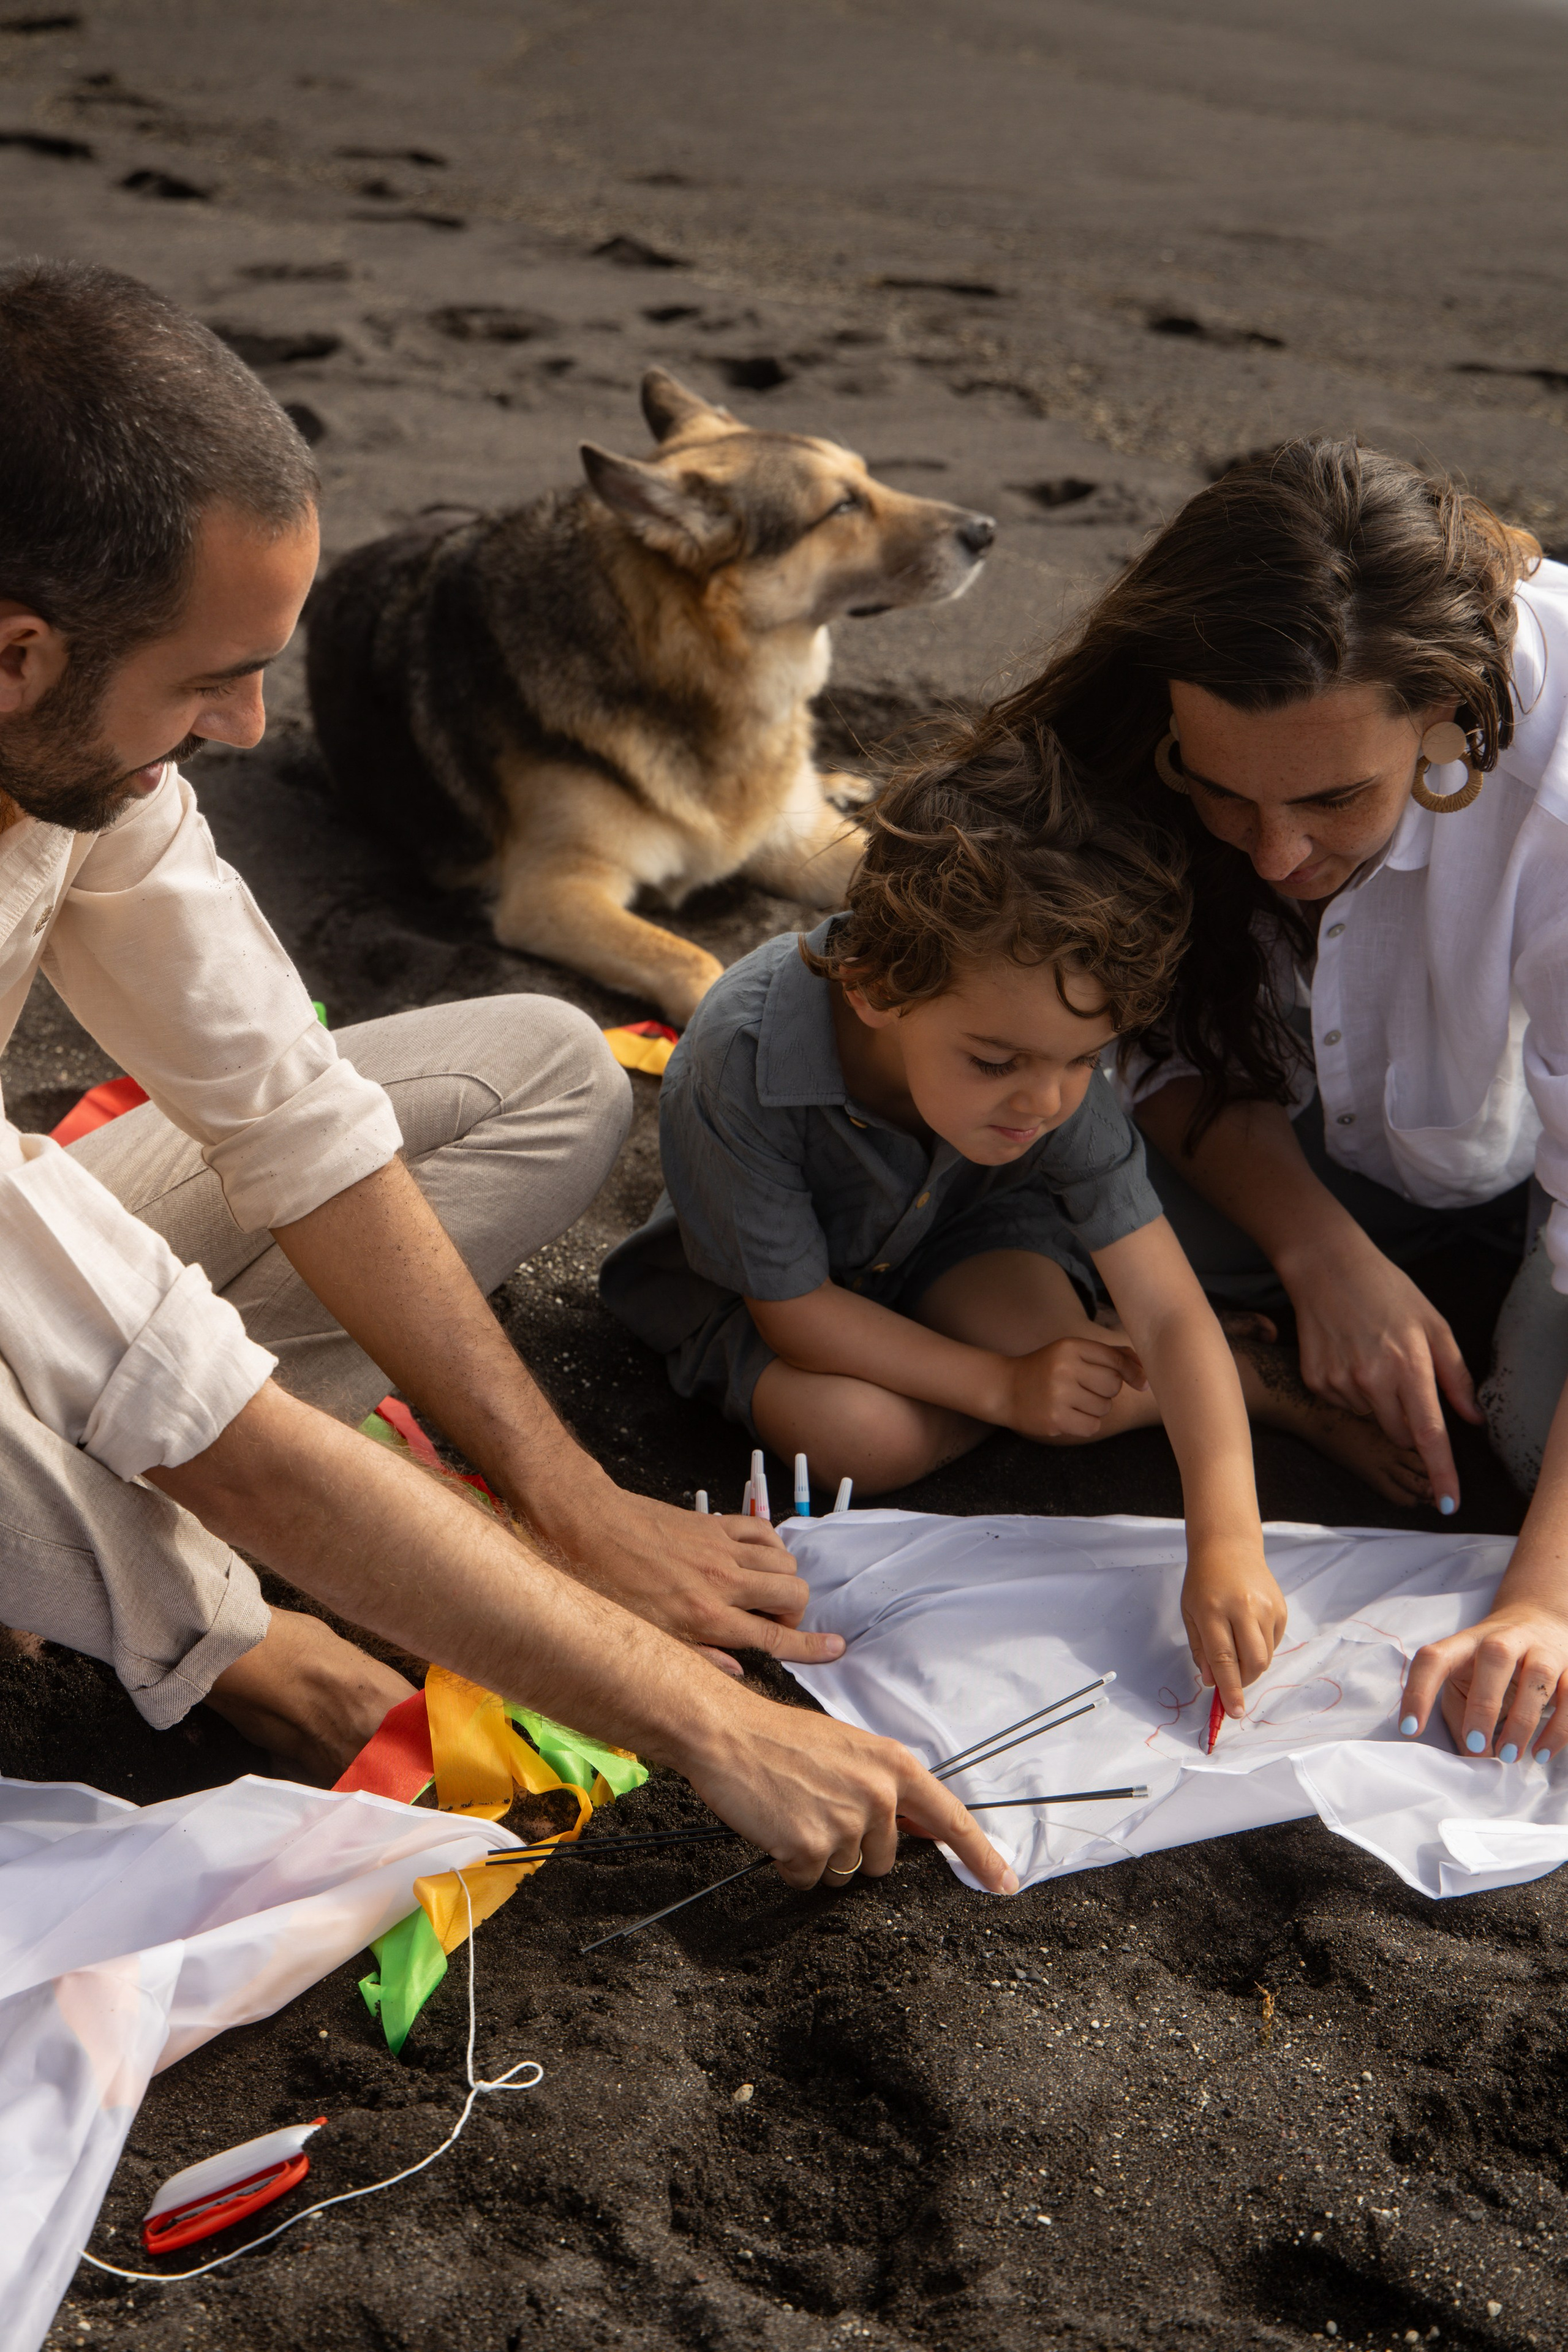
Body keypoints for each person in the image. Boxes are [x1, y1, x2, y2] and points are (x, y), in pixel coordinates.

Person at [0, 257, 1015, 1898]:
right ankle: (205, 1606)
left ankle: (220, 1535)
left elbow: (285, 1107)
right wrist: (710, 1723)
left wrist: (567, 1497)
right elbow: (187, 1401)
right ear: (19, 656)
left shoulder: (68, 752)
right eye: (208, 682)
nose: (256, 730)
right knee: (173, 1431)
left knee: (540, 1068)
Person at [603, 737, 1425, 1715]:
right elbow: (797, 1315)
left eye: (1085, 1060)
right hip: (770, 1299)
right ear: (872, 987)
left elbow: (1165, 1312)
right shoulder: (735, 1057)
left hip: (962, 1233)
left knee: (1076, 1355)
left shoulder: (1043, 1059)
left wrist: (1228, 1542)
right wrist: (1005, 1388)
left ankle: (1224, 1386)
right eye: (996, 1062)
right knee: (861, 1435)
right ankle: (1192, 1389)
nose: (1045, 1099)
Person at [997, 435, 1568, 1764]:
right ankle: (1328, 1318)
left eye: (1331, 798)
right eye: (1222, 792)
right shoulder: (1158, 723)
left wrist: (1538, 1602)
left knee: (1527, 1439)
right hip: (1329, 1120)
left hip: (1500, 1146)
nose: (1270, 852)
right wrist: (1322, 1254)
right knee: (983, 1194)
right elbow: (1127, 1043)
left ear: (1452, 712)